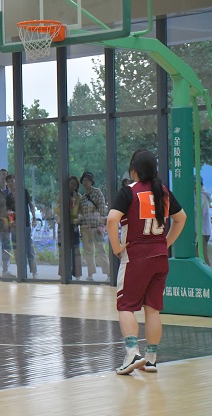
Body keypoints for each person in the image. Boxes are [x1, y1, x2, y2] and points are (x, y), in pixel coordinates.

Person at [106, 150, 186, 375]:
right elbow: (181, 219)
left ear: (134, 170)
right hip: (159, 258)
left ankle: (132, 353)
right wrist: (166, 243)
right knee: (153, 309)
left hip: (136, 257)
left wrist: (116, 247)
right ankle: (151, 358)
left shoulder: (129, 191)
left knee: (125, 306)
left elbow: (112, 219)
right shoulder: (163, 191)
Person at [78, 171, 110, 281]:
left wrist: (101, 224)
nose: (85, 183)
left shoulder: (97, 193)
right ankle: (90, 274)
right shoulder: (82, 198)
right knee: (88, 252)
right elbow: (81, 212)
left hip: (96, 227)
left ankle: (108, 274)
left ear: (92, 181)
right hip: (85, 227)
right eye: (84, 180)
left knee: (101, 250)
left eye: (88, 180)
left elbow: (102, 209)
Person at [6, 174, 37, 278]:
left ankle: (34, 272)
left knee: (29, 249)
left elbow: (31, 205)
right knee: (16, 250)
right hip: (14, 227)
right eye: (8, 182)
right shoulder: (8, 197)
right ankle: (21, 272)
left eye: (12, 181)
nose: (10, 183)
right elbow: (8, 211)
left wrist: (34, 218)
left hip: (25, 225)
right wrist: (11, 221)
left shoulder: (23, 192)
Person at [55, 176, 83, 280]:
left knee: (76, 250)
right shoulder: (61, 194)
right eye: (71, 183)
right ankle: (63, 273)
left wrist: (77, 215)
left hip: (73, 224)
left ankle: (77, 274)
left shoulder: (78, 196)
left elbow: (79, 211)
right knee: (62, 249)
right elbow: (56, 208)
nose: (72, 186)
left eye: (75, 184)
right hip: (63, 224)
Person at [195, 178, 211, 266]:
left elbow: (195, 208)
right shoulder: (203, 195)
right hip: (203, 230)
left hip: (202, 231)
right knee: (199, 254)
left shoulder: (202, 196)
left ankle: (208, 273)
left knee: (203, 256)